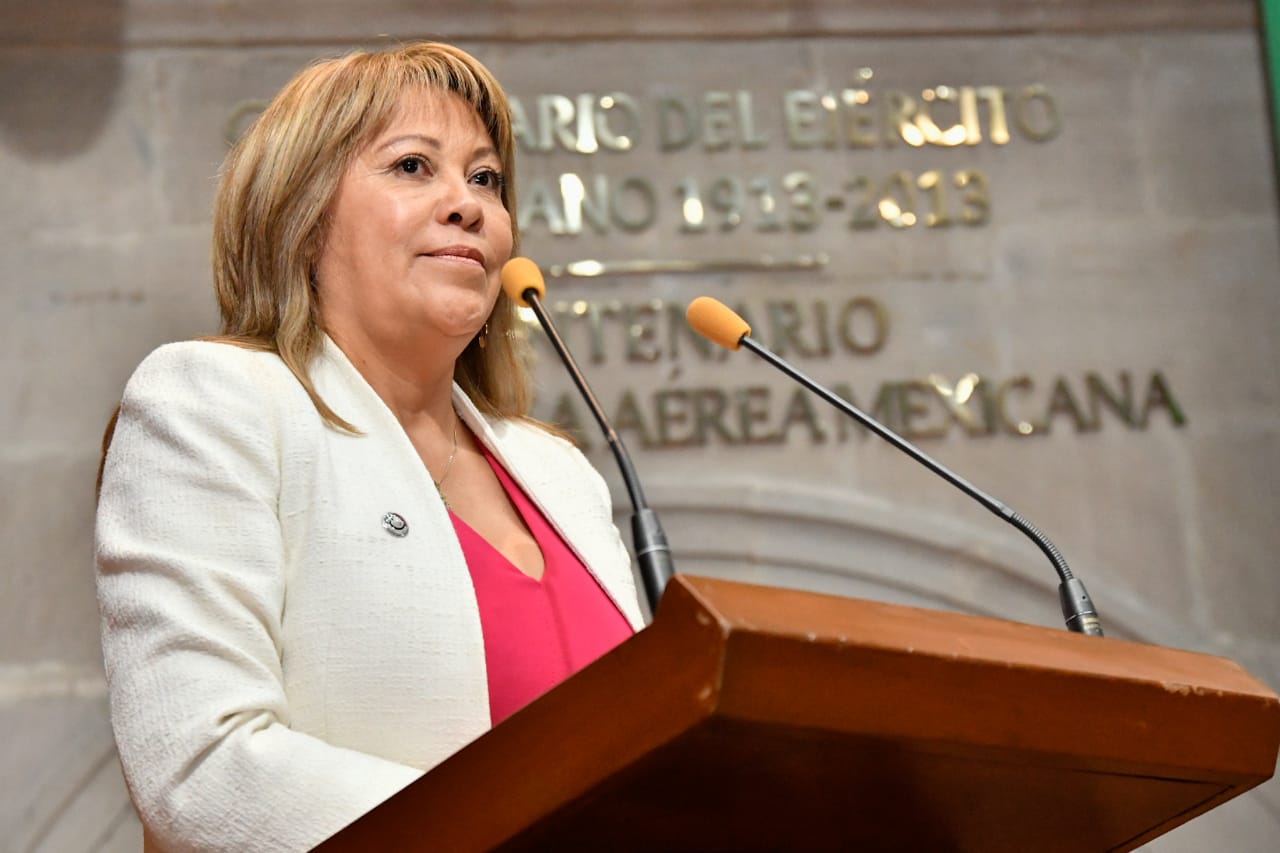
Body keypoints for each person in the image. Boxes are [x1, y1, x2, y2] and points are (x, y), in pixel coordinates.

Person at [95, 41, 645, 853]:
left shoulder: (557, 471)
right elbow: (201, 765)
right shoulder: (215, 402)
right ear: (304, 217)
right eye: (414, 166)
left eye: (485, 178)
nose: (467, 204)